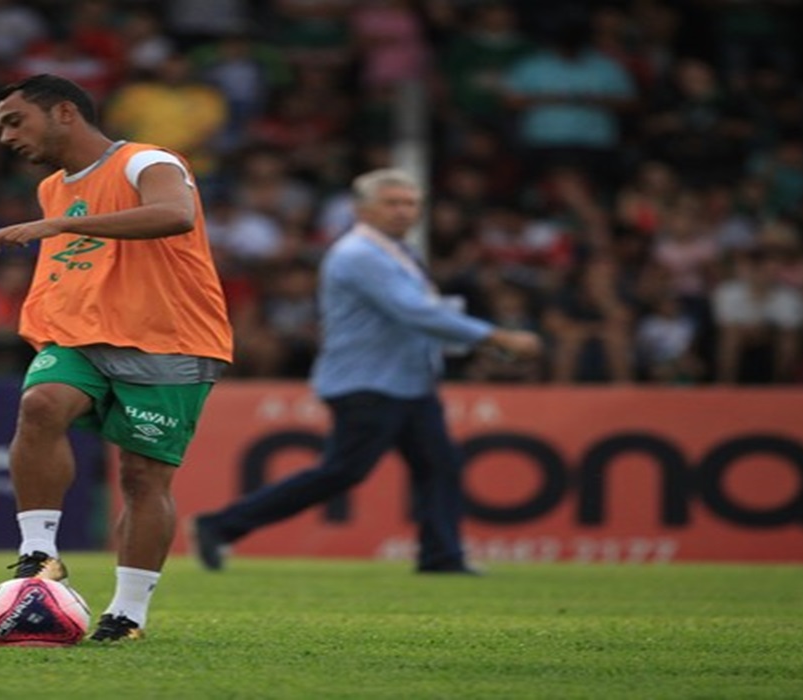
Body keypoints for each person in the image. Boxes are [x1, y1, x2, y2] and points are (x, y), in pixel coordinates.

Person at [0, 74, 234, 642]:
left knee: (143, 479)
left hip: (172, 340)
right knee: (42, 404)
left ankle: (127, 614)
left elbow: (175, 215)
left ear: (65, 112)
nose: (6, 137)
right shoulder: (53, 188)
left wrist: (63, 222)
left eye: (15, 121)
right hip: (81, 336)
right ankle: (39, 552)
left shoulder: (147, 162)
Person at [190, 169, 542, 575]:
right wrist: (495, 337)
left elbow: (418, 313)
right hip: (369, 382)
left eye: (410, 203)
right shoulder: (359, 254)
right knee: (343, 470)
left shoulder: (394, 251)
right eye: (392, 203)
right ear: (361, 209)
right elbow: (413, 311)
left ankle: (442, 556)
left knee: (438, 464)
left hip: (405, 381)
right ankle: (221, 525)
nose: (403, 211)